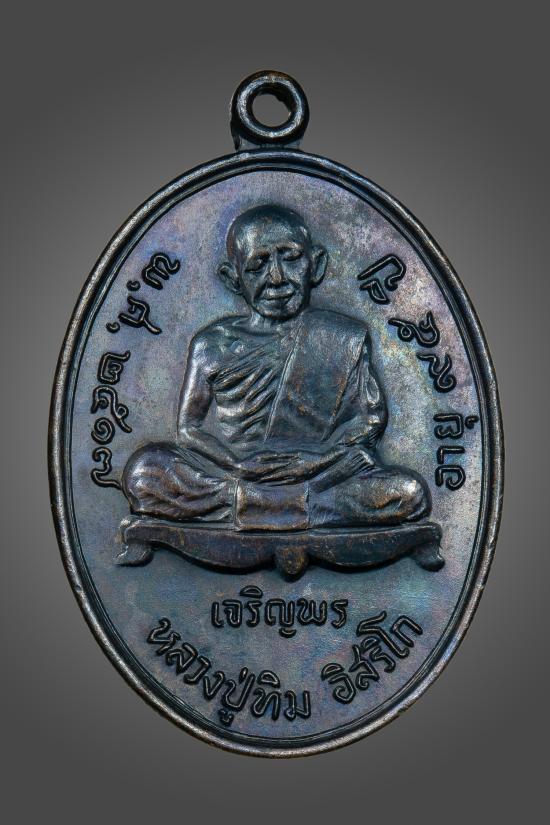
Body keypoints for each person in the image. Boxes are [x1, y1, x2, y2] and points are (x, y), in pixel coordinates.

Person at [122, 205, 431, 530]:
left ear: (316, 265)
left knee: (409, 492)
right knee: (144, 473)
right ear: (232, 278)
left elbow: (370, 420)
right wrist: (236, 464)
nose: (277, 278)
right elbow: (189, 429)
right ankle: (302, 508)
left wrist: (319, 460)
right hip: (235, 474)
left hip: (321, 474)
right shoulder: (211, 344)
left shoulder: (343, 337)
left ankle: (253, 507)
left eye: (291, 258)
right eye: (257, 265)